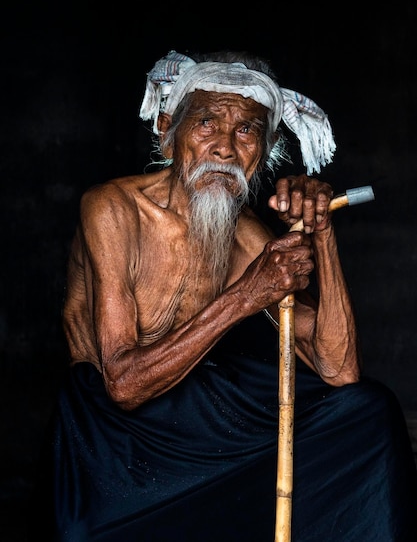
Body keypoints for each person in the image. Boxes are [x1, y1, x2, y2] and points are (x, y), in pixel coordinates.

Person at [30, 49, 417, 541]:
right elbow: (123, 384)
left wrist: (321, 231)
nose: (225, 148)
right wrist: (249, 294)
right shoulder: (113, 209)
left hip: (199, 417)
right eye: (207, 123)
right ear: (168, 133)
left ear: (266, 150)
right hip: (113, 437)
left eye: (246, 130)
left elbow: (339, 370)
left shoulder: (244, 236)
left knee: (367, 412)